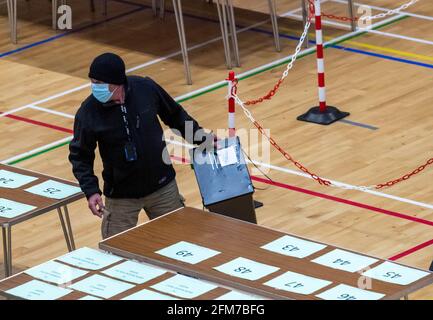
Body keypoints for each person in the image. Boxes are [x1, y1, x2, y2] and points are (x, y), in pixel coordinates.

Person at [69, 52, 213, 239]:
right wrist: (91, 191)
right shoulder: (88, 112)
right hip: (121, 197)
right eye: (92, 82)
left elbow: (175, 116)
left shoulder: (146, 88)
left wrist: (202, 138)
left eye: (99, 83)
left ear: (117, 82)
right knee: (116, 249)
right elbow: (80, 155)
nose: (95, 87)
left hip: (163, 188)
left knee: (181, 242)